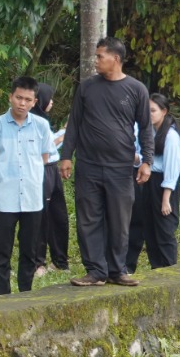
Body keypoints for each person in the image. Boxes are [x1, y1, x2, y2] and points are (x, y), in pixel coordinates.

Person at [60, 37, 154, 285]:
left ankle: (117, 270)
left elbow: (145, 127)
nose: (96, 60)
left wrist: (147, 161)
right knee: (88, 218)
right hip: (88, 166)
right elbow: (75, 124)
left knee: (120, 220)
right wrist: (66, 156)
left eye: (100, 56)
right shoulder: (87, 87)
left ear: (116, 59)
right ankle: (95, 270)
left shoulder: (136, 89)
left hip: (120, 167)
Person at [0, 76, 56, 296]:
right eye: (18, 98)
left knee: (29, 250)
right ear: (10, 97)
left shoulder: (42, 125)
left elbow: (44, 157)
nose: (22, 103)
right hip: (4, 197)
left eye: (28, 100)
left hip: (32, 197)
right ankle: (3, 296)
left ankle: (25, 293)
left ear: (34, 102)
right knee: (2, 251)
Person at [127, 93, 180, 271]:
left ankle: (169, 269)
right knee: (149, 229)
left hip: (164, 185)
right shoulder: (149, 132)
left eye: (153, 110)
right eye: (147, 110)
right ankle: (157, 268)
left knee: (164, 229)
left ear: (164, 111)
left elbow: (171, 170)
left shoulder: (170, 137)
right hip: (148, 182)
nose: (149, 114)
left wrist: (165, 199)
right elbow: (148, 160)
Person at [32, 83, 69, 274]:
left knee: (59, 216)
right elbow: (45, 148)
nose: (52, 102)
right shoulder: (32, 121)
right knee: (41, 217)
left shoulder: (44, 120)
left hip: (52, 170)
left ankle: (60, 261)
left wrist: (63, 134)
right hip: (41, 169)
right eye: (50, 98)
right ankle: (39, 262)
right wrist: (63, 136)